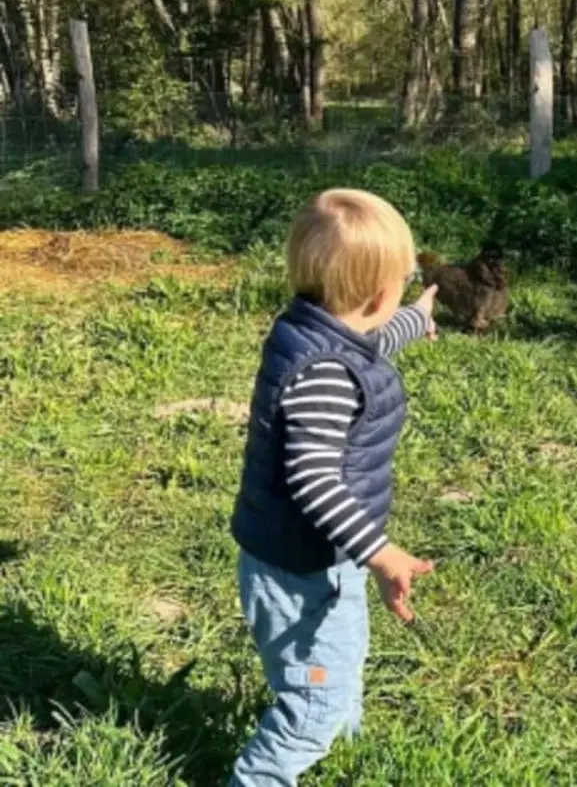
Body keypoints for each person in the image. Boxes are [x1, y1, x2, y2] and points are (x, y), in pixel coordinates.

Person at [228, 188, 437, 786]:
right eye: (406, 279)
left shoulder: (311, 329)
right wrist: (382, 551)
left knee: (339, 662)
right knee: (311, 706)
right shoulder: (323, 374)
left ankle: (344, 752)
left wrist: (414, 318)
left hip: (320, 557)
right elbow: (315, 480)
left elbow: (365, 336)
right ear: (377, 293)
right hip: (302, 571)